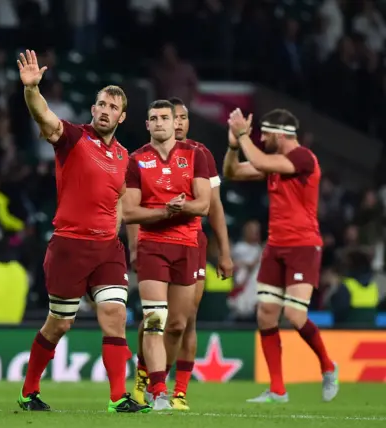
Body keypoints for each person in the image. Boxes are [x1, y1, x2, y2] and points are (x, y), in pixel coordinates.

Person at [15, 50, 150, 414]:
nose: (105, 110)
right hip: (69, 246)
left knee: (115, 315)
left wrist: (127, 240)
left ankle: (118, 397)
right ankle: (29, 391)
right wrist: (31, 90)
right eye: (101, 104)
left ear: (122, 116)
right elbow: (45, 118)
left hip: (107, 248)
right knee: (59, 323)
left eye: (112, 107)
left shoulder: (125, 157)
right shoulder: (73, 138)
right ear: (93, 108)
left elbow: (124, 203)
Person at [223, 108, 338, 403]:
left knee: (295, 314)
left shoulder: (302, 157)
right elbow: (232, 171)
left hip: (303, 246)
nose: (261, 139)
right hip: (275, 246)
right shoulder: (275, 164)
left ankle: (328, 366)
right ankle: (277, 389)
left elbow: (259, 159)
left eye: (265, 134)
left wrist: (243, 134)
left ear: (279, 134)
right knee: (266, 314)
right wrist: (234, 146)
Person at [129, 97, 233, 409]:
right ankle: (153, 383)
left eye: (178, 118)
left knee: (182, 322)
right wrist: (136, 246)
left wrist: (223, 252)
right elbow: (131, 210)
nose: (174, 123)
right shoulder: (138, 160)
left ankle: (176, 388)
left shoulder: (199, 155)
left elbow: (211, 206)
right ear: (150, 123)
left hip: (191, 245)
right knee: (154, 318)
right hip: (152, 244)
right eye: (159, 118)